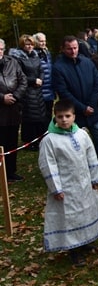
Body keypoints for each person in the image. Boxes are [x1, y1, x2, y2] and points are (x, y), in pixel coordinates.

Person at [39, 99, 98, 266]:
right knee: (70, 216)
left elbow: (91, 155)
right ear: (54, 117)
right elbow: (48, 165)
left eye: (67, 116)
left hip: (84, 183)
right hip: (66, 186)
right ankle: (73, 251)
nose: (64, 120)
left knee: (84, 212)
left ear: (74, 116)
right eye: (60, 116)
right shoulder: (49, 140)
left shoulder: (82, 134)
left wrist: (94, 177)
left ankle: (85, 241)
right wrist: (56, 188)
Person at [52, 36, 98, 178]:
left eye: (75, 47)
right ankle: (81, 170)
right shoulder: (58, 67)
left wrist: (91, 104)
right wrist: (82, 107)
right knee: (76, 143)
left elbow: (97, 83)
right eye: (69, 48)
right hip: (74, 112)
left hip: (92, 110)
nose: (73, 51)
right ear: (63, 49)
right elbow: (63, 92)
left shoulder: (88, 62)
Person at [10, 35, 48, 151]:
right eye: (27, 44)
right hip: (26, 91)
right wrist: (33, 81)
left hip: (38, 89)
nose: (30, 46)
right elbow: (19, 75)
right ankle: (29, 141)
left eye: (31, 44)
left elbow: (41, 70)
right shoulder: (18, 58)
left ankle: (40, 139)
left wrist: (41, 79)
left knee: (40, 116)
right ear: (22, 45)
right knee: (29, 118)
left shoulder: (36, 55)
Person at [0, 39, 27, 182]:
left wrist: (15, 96)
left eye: (0, 49)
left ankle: (11, 171)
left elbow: (23, 80)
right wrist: (2, 98)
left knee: (12, 141)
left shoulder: (13, 62)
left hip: (14, 110)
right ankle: (2, 171)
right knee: (1, 142)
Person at [33, 32, 54, 119]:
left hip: (49, 89)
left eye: (44, 41)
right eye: (41, 41)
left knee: (49, 114)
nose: (43, 43)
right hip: (39, 89)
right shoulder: (33, 54)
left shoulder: (47, 52)